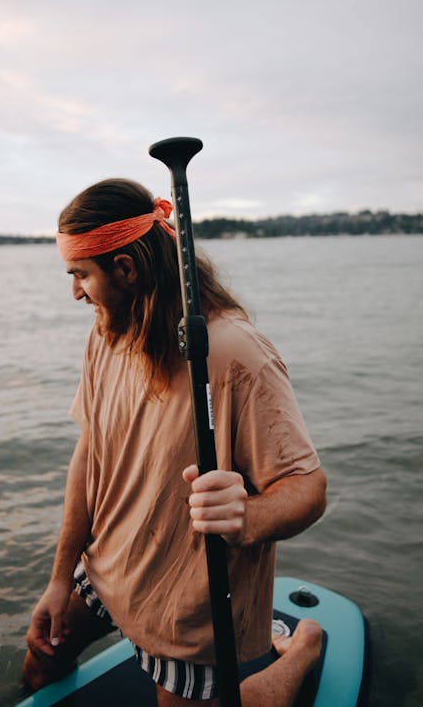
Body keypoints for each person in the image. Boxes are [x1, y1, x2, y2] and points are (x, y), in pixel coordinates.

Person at [23, 178, 327, 706]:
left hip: (188, 606)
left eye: (80, 275)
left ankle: (302, 649)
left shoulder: (233, 351)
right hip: (109, 568)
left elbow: (308, 487)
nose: (74, 291)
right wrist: (58, 579)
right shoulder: (108, 333)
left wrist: (247, 517)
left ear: (125, 269)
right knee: (39, 665)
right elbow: (89, 455)